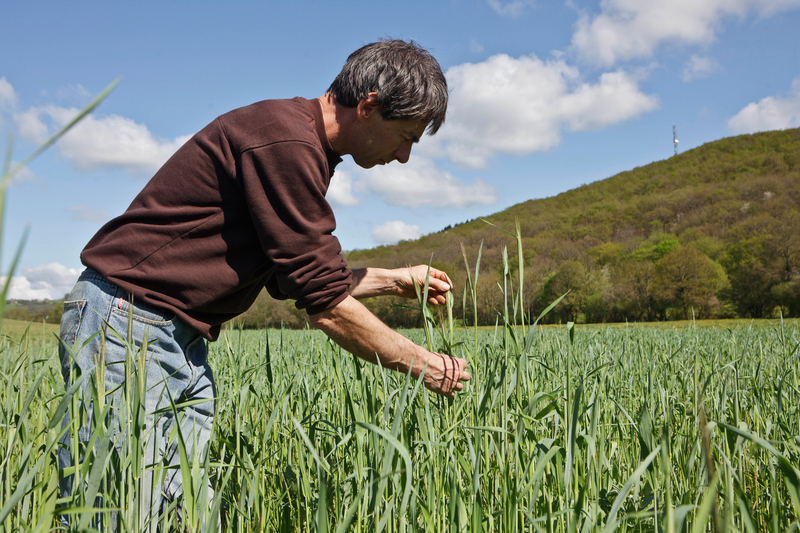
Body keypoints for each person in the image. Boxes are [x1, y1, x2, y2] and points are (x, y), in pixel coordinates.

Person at [57, 39, 471, 529]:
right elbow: (327, 306)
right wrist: (426, 365)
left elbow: (291, 278)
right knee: (120, 510)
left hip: (171, 333)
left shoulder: (301, 144)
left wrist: (394, 280)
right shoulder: (285, 143)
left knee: (180, 508)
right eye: (405, 136)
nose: (404, 156)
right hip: (127, 324)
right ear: (369, 106)